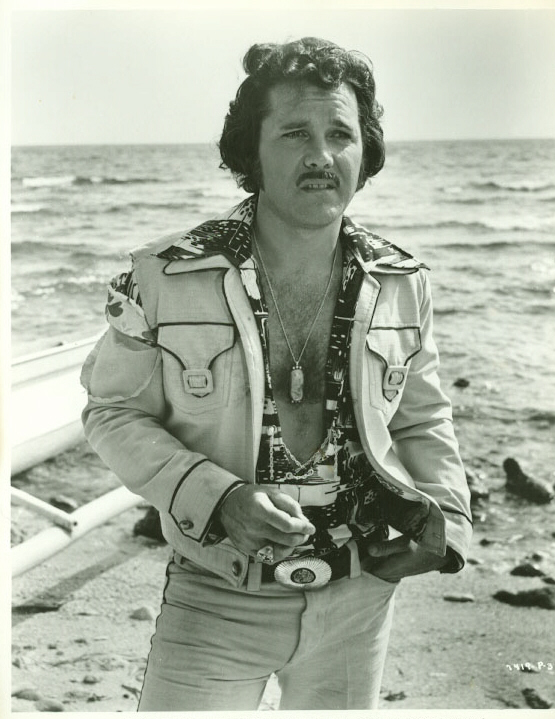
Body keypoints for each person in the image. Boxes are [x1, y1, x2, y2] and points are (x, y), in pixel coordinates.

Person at [81, 37, 472, 711]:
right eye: (295, 133)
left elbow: (422, 418)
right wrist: (219, 498)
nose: (321, 155)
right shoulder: (162, 277)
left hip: (359, 600)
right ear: (252, 152)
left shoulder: (401, 282)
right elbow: (111, 412)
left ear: (365, 152)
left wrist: (450, 522)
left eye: (340, 134)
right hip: (215, 594)